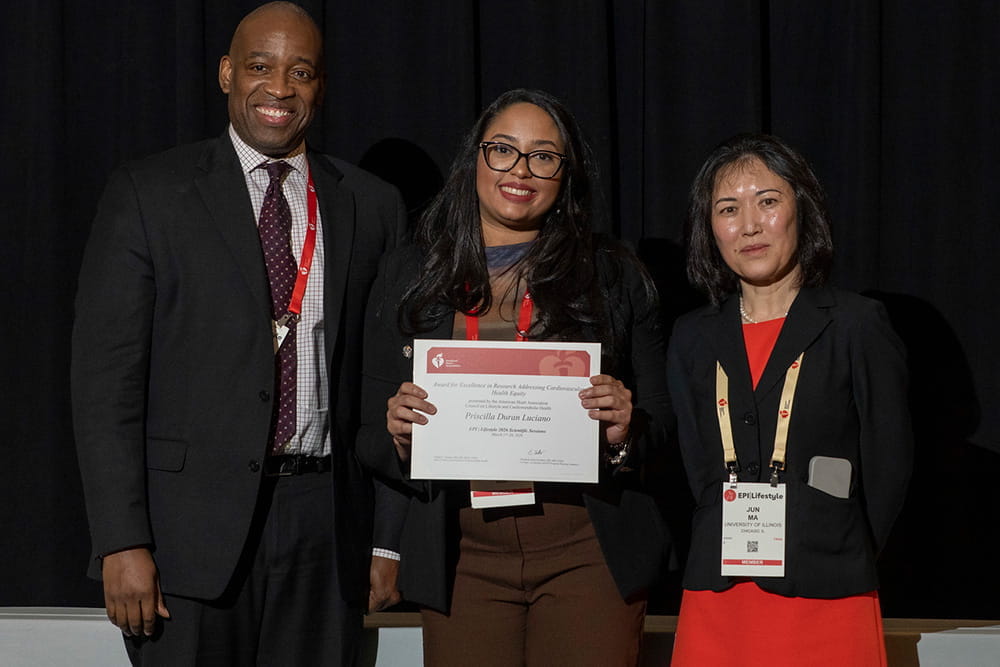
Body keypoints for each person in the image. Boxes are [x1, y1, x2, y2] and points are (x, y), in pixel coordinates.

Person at [71, 3, 407, 664]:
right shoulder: (150, 193)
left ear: (320, 86)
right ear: (227, 73)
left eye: (300, 72)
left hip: (325, 528)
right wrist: (120, 539)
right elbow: (105, 385)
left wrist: (387, 540)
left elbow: (385, 386)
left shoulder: (372, 205)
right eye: (260, 66)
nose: (279, 87)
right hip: (185, 538)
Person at [355, 88, 672, 666]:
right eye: (503, 150)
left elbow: (664, 425)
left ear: (566, 174)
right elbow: (366, 436)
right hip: (462, 553)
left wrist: (627, 430)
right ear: (474, 158)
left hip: (585, 548)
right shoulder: (411, 273)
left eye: (543, 156)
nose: (520, 170)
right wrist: (398, 435)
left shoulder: (614, 276)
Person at [667, 133, 913, 666]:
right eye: (728, 209)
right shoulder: (691, 336)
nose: (749, 225)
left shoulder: (856, 324)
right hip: (719, 589)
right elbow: (696, 467)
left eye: (768, 201)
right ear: (710, 228)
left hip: (828, 588)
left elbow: (889, 465)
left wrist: (837, 540)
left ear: (803, 210)